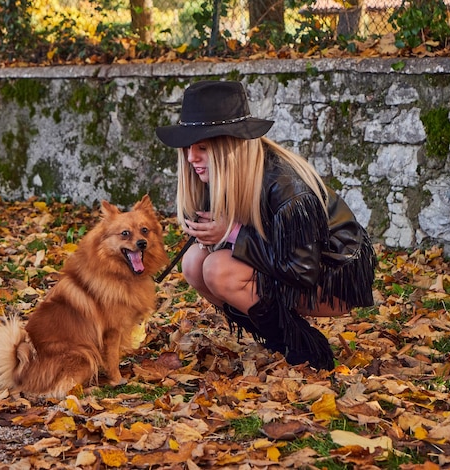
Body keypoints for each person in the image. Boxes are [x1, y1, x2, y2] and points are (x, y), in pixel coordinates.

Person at [155, 80, 376, 370]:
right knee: (194, 262)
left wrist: (232, 234)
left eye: (203, 148)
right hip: (294, 270)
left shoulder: (286, 184)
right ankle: (279, 339)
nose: (191, 157)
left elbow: (302, 271)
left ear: (230, 147)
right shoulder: (226, 173)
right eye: (187, 147)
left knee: (218, 268)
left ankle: (305, 349)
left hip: (334, 279)